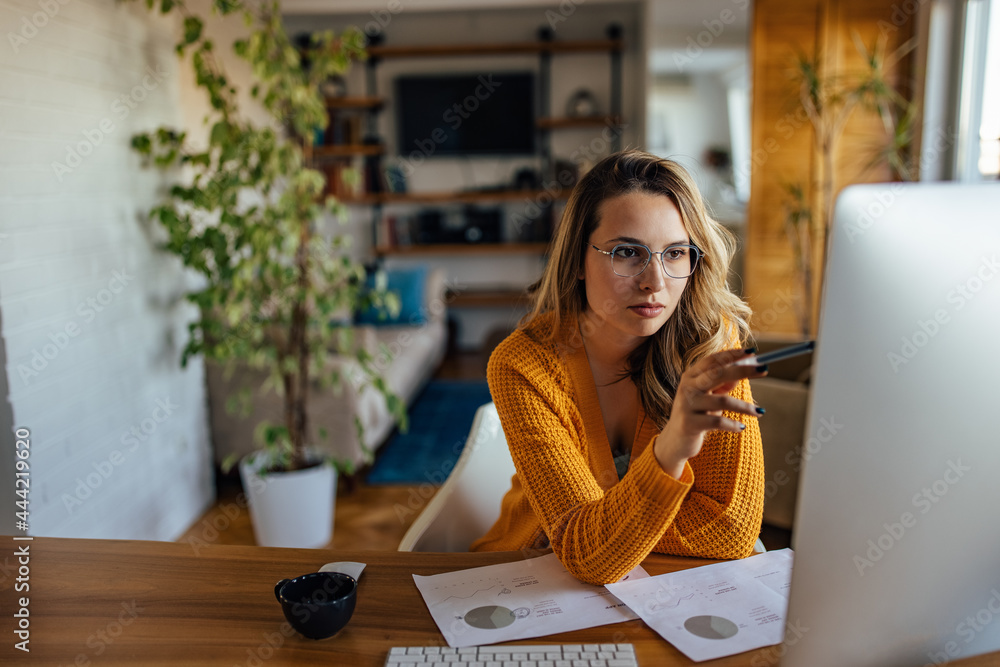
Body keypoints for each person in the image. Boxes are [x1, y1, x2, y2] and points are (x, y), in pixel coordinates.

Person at [470, 150, 766, 585]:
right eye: (628, 252)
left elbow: (731, 532)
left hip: (665, 586)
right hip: (531, 579)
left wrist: (607, 528)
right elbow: (588, 557)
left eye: (676, 253)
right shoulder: (523, 365)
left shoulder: (711, 346)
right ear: (577, 262)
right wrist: (672, 449)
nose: (655, 282)